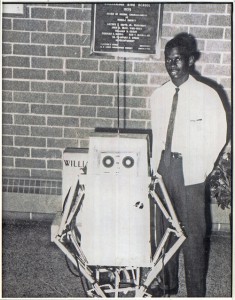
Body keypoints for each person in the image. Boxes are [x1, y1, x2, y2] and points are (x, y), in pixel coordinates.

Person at [150, 33, 227, 297]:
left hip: (190, 171)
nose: (172, 65)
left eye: (178, 60)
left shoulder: (208, 94)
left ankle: (195, 293)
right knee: (164, 232)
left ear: (190, 60)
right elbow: (156, 135)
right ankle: (166, 285)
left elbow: (220, 134)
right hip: (163, 170)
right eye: (167, 60)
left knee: (193, 236)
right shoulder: (158, 95)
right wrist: (153, 169)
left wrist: (202, 168)